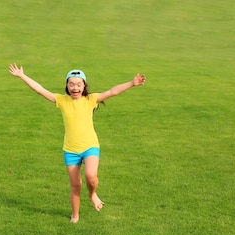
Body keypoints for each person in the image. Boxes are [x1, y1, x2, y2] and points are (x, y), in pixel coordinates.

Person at [9, 63, 146, 223]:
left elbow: (112, 91)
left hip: (90, 146)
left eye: (79, 84)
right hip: (70, 150)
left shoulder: (91, 99)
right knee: (75, 185)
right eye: (72, 84)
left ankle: (92, 194)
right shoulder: (61, 100)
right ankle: (75, 215)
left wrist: (132, 83)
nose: (75, 87)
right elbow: (40, 90)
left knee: (91, 176)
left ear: (84, 85)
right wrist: (22, 75)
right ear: (67, 86)